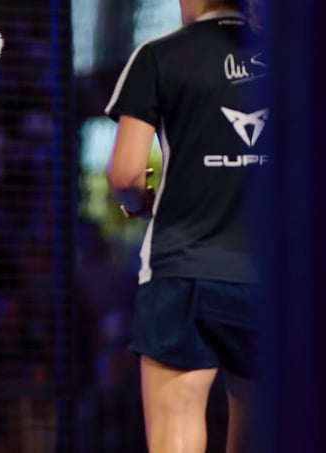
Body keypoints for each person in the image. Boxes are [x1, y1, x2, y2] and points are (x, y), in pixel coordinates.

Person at [104, 1, 267, 452]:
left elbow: (125, 174)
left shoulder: (158, 56)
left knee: (177, 420)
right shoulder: (291, 62)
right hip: (271, 278)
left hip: (182, 269)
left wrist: (139, 201)